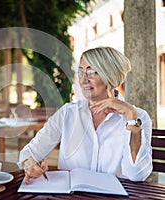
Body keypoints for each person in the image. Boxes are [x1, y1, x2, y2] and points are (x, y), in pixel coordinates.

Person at [18, 46, 152, 184]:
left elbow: (137, 175)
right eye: (80, 72)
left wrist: (131, 117)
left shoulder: (138, 117)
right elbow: (30, 152)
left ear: (111, 75)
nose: (83, 80)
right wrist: (30, 164)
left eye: (92, 72)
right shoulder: (68, 113)